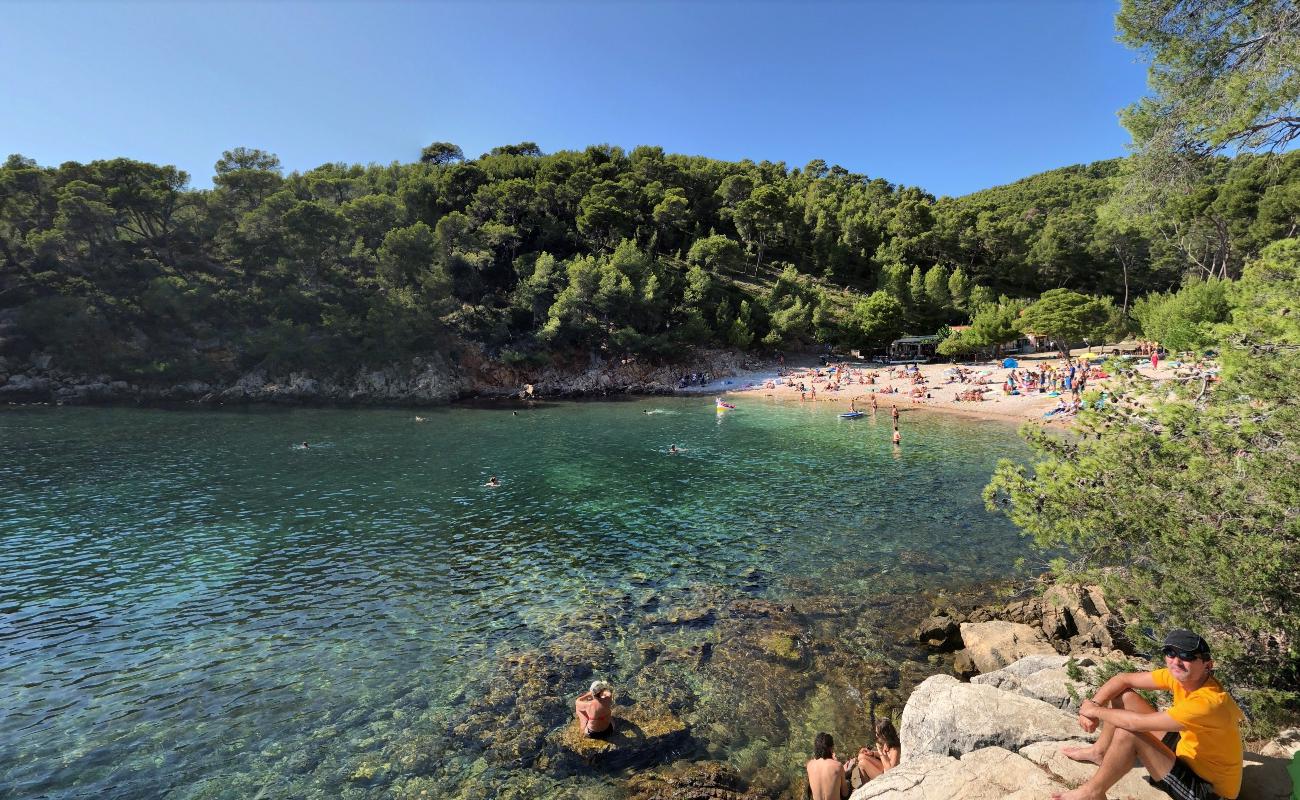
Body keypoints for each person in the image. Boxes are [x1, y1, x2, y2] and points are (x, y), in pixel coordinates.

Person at [1053, 628, 1244, 800]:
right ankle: (1099, 752)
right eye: (1170, 653)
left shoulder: (1208, 703)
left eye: (1186, 655)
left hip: (1207, 791)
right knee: (1124, 697)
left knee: (1128, 733)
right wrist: (1094, 703)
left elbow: (1136, 725)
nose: (1176, 661)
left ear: (1207, 665)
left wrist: (1093, 711)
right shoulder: (1181, 677)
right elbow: (1123, 679)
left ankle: (1092, 793)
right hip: (1185, 752)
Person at [847, 718, 902, 789]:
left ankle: (866, 788)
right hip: (884, 767)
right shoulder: (887, 742)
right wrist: (872, 753)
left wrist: (880, 752)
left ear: (884, 735)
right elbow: (886, 756)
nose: (876, 735)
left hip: (887, 776)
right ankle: (864, 783)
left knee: (862, 763)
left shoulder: (895, 749)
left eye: (878, 734)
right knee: (861, 756)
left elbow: (890, 770)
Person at [805, 732, 849, 800]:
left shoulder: (809, 765)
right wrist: (842, 772)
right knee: (848, 782)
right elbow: (845, 793)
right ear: (831, 748)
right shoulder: (838, 766)